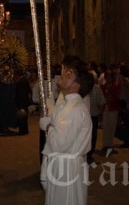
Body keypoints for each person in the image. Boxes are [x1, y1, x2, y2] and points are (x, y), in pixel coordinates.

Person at [39, 55, 94, 205]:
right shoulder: (67, 105)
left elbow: (60, 144)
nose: (62, 76)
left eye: (68, 74)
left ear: (76, 85)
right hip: (62, 164)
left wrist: (49, 126)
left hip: (67, 169)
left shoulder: (75, 109)